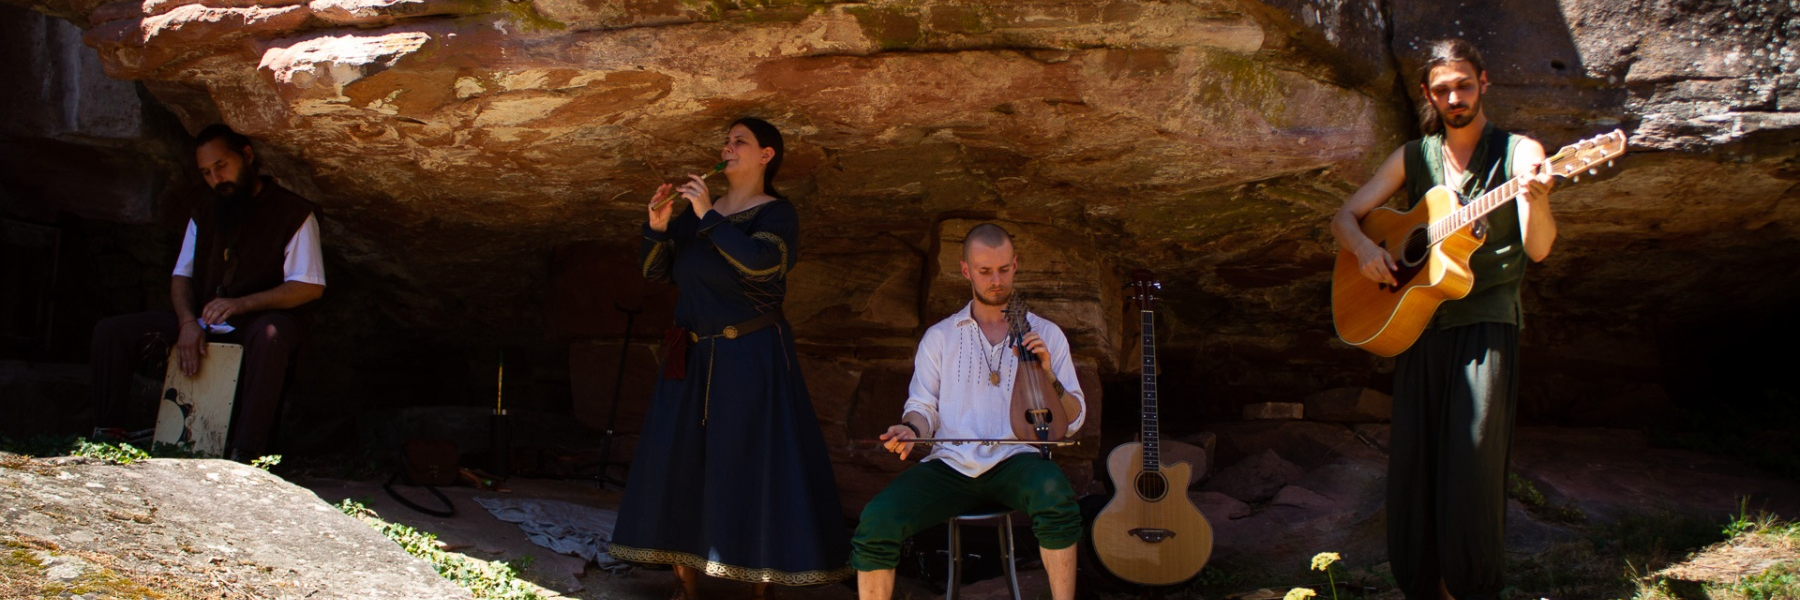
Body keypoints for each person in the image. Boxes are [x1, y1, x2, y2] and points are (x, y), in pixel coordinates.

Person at [1330, 39, 1557, 600]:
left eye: (1464, 84)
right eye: (1443, 89)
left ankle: (1469, 587)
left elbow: (1538, 248)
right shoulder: (1414, 156)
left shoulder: (1520, 151)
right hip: (1419, 326)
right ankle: (1422, 585)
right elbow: (1345, 215)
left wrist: (1540, 197)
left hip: (1485, 325)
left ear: (1484, 81)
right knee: (1416, 463)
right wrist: (1363, 250)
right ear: (1429, 94)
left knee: (1473, 461)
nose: (1455, 97)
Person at [610, 117, 851, 598]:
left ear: (766, 155)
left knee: (757, 464)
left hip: (752, 357)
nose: (729, 147)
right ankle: (686, 583)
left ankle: (762, 586)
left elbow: (762, 265)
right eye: (727, 141)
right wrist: (658, 229)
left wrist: (707, 217)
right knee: (681, 463)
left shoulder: (777, 214)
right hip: (692, 358)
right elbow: (660, 273)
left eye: (740, 141)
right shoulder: (701, 214)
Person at [851, 223, 1087, 600]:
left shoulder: (1046, 334)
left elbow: (1073, 421)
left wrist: (1047, 376)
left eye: (1004, 269)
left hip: (1017, 463)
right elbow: (922, 407)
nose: (997, 280)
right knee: (878, 519)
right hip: (952, 466)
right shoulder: (940, 337)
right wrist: (911, 429)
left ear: (1016, 264)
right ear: (965, 271)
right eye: (984, 271)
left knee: (1054, 496)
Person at [90, 123, 326, 461]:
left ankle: (247, 453)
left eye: (221, 166)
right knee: (111, 332)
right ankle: (107, 437)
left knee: (272, 335)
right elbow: (181, 277)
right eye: (206, 173)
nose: (216, 179)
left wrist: (242, 304)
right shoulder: (204, 212)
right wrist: (187, 322)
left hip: (255, 324)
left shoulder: (293, 213)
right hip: (201, 322)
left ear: (246, 156)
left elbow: (309, 286)